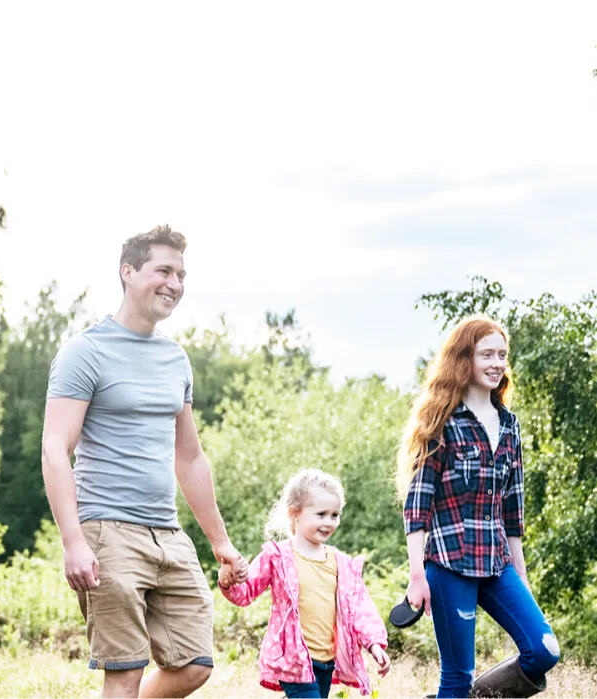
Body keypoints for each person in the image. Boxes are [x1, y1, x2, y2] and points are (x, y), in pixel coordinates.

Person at [41, 224, 249, 699]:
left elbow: (190, 458)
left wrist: (220, 541)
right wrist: (73, 542)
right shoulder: (85, 352)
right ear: (128, 272)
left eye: (180, 274)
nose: (174, 284)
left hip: (167, 533)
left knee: (195, 663)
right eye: (164, 270)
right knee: (125, 672)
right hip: (106, 529)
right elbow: (55, 448)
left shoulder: (175, 359)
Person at [398, 315, 560, 699]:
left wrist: (520, 572)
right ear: (463, 358)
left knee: (543, 650)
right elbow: (417, 503)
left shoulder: (509, 425)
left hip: (496, 561)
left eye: (502, 355)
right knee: (456, 677)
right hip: (449, 563)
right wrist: (416, 574)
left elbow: (513, 506)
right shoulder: (441, 422)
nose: (496, 363)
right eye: (486, 354)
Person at [219, 469, 390, 699]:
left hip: (326, 661)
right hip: (294, 661)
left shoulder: (341, 563)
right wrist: (227, 580)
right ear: (295, 514)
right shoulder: (277, 556)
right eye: (321, 514)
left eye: (334, 514)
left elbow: (360, 608)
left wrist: (374, 644)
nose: (329, 522)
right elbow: (245, 592)